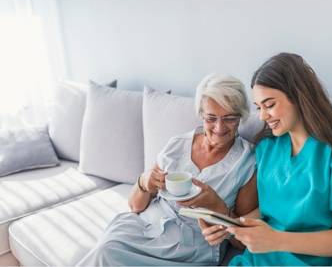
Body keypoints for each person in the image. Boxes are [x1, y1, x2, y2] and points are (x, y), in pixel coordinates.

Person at [200, 53, 332, 266]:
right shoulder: (267, 148)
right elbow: (267, 211)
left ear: (299, 97)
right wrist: (230, 227)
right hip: (257, 261)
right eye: (259, 107)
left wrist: (276, 240)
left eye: (270, 104)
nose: (263, 116)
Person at [76, 73, 258, 266]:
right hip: (145, 227)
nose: (219, 128)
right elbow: (135, 206)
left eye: (229, 118)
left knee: (109, 255)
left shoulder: (247, 162)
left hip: (189, 247)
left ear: (241, 116)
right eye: (211, 118)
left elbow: (241, 242)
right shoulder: (177, 145)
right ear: (201, 115)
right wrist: (144, 182)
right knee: (107, 248)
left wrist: (216, 206)